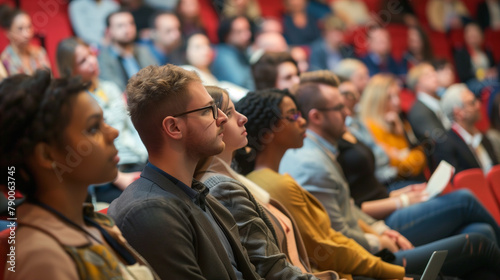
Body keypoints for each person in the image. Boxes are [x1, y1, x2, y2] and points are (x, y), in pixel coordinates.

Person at [278, 71, 500, 279]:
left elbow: (349, 207)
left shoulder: (324, 150)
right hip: (364, 259)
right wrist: (380, 238)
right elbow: (340, 236)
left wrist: (382, 229)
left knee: (480, 230)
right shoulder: (311, 162)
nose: (348, 113)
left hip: (373, 232)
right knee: (467, 208)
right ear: (316, 117)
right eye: (339, 108)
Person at [107, 64, 262, 280]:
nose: (223, 118)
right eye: (208, 110)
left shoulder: (197, 192)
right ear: (174, 128)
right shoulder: (148, 213)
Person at [0, 70, 158, 279]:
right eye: (93, 128)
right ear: (47, 155)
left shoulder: (91, 221)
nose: (113, 133)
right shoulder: (43, 260)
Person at [234, 89, 408, 280]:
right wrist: (390, 270)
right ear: (269, 130)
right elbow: (324, 248)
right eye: (293, 115)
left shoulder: (274, 177)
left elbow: (333, 232)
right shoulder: (275, 184)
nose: (302, 121)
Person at [195, 86, 336, 280]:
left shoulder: (234, 179)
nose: (242, 118)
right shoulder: (222, 187)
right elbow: (271, 269)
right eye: (229, 112)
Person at [56, 37, 148, 204]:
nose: (92, 61)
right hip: (108, 176)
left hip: (139, 159)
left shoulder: (110, 87)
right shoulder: (75, 101)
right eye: (83, 61)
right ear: (71, 70)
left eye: (91, 54)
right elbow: (85, 149)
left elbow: (132, 126)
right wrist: (119, 178)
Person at [359, 74, 427, 181]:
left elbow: (417, 159)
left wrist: (404, 152)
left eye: (397, 96)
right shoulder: (370, 127)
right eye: (389, 97)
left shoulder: (400, 121)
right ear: (376, 100)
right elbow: (403, 167)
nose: (397, 102)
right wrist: (412, 155)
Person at [435, 83, 499, 174]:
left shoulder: (482, 137)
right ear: (458, 113)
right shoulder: (446, 144)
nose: (478, 105)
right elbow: (457, 183)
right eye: (472, 103)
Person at [97, 9, 157, 91]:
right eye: (120, 25)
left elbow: (156, 77)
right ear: (109, 31)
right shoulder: (104, 59)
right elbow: (114, 89)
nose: (128, 29)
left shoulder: (143, 50)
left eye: (131, 23)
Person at [181, 33, 248, 102]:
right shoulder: (187, 72)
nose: (205, 50)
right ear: (186, 53)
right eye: (198, 47)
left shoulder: (212, 76)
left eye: (207, 45)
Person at [406, 62, 451, 167]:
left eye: (434, 73)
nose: (434, 77)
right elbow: (439, 141)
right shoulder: (419, 111)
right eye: (428, 75)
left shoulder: (438, 102)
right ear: (417, 84)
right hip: (441, 163)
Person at [0, 5, 51, 76]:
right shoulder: (4, 61)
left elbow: (50, 80)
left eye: (29, 27)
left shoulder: (40, 53)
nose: (27, 34)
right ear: (8, 33)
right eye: (20, 29)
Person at [211, 16, 255, 90]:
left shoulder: (241, 51)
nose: (248, 35)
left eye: (248, 29)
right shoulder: (223, 54)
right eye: (239, 32)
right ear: (227, 35)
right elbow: (241, 84)